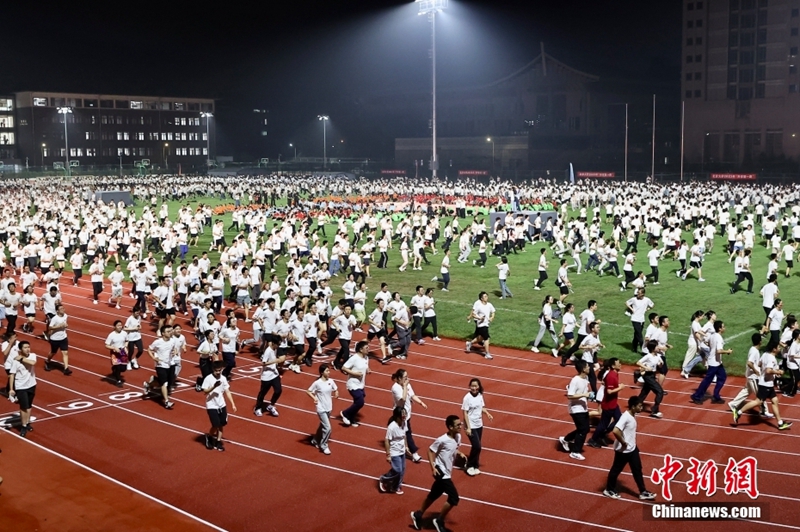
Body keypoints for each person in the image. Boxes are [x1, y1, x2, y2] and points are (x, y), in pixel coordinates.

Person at [410, 415, 468, 532]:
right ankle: (439, 520)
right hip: (441, 472)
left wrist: (459, 453)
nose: (460, 426)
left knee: (434, 495)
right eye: (458, 425)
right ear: (450, 427)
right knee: (454, 498)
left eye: (460, 424)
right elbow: (430, 451)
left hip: (447, 471)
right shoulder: (442, 440)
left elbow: (454, 448)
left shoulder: (458, 437)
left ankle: (418, 514)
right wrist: (433, 468)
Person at [603, 396, 657, 500]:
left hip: (632, 449)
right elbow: (616, 431)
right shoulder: (625, 417)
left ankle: (643, 491)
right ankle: (609, 489)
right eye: (639, 406)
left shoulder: (632, 415)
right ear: (633, 407)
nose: (641, 408)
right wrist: (623, 442)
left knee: (637, 470)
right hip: (623, 451)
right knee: (616, 470)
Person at [733, 343, 792, 430]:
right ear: (774, 349)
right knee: (758, 402)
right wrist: (778, 372)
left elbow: (759, 364)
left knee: (775, 401)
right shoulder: (772, 358)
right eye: (778, 347)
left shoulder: (765, 354)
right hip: (766, 384)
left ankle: (780, 423)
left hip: (767, 384)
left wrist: (771, 371)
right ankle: (738, 412)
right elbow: (768, 370)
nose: (780, 348)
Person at [728, 333, 773, 418]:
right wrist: (756, 371)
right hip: (753, 377)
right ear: (760, 341)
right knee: (760, 394)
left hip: (750, 376)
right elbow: (749, 363)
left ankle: (733, 404)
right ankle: (764, 411)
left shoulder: (753, 349)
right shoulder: (754, 351)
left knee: (746, 391)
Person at [391, 368, 428, 463]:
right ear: (399, 378)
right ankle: (414, 453)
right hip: (400, 415)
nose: (407, 379)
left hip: (407, 414)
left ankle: (401, 447)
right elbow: (403, 399)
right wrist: (404, 386)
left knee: (403, 432)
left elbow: (412, 395)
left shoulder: (407, 384)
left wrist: (421, 403)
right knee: (407, 433)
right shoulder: (395, 388)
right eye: (405, 377)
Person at [690, 320, 731, 405]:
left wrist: (712, 347)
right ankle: (696, 396)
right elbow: (719, 351)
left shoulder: (713, 335)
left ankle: (716, 396)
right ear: (719, 328)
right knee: (707, 381)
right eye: (723, 327)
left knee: (722, 377)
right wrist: (727, 351)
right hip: (714, 363)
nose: (724, 328)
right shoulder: (718, 338)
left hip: (717, 362)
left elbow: (706, 341)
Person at [588, 358, 625, 448]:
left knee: (620, 420)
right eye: (618, 363)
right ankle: (593, 439)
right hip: (608, 405)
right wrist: (620, 388)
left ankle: (603, 433)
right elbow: (609, 391)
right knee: (603, 424)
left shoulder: (614, 373)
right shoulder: (611, 376)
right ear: (613, 366)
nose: (620, 364)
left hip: (613, 404)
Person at [559, 360, 591, 461]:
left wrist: (589, 396)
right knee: (583, 430)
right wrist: (584, 395)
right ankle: (575, 452)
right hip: (575, 408)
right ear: (583, 369)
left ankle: (566, 439)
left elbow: (584, 392)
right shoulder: (575, 380)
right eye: (587, 366)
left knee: (585, 429)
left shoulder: (585, 378)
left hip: (583, 407)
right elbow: (570, 395)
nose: (589, 368)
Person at [202, 361, 237, 451]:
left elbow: (227, 391)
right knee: (215, 425)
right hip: (211, 405)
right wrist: (214, 387)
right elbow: (205, 391)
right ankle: (209, 436)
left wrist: (233, 404)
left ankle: (218, 442)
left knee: (221, 424)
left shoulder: (223, 378)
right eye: (216, 370)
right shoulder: (208, 378)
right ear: (213, 370)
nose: (218, 372)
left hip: (221, 404)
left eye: (219, 370)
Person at [461, 377, 493, 476]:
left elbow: (481, 407)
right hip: (471, 425)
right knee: (477, 446)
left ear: (479, 387)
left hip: (479, 424)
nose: (474, 388)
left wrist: (487, 413)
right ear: (469, 386)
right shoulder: (467, 398)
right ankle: (469, 465)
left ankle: (475, 465)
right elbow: (465, 413)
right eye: (472, 386)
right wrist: (468, 427)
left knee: (477, 446)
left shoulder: (480, 395)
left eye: (475, 386)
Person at [307, 363, 338, 455]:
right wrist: (314, 398)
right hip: (321, 408)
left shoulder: (331, 381)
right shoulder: (317, 383)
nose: (329, 372)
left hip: (329, 407)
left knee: (323, 426)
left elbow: (335, 389)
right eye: (327, 371)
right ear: (321, 372)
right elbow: (308, 391)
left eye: (329, 370)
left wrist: (336, 393)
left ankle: (315, 440)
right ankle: (324, 445)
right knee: (328, 428)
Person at [7, 340, 37, 437]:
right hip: (21, 386)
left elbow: (32, 363)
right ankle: (23, 426)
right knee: (24, 407)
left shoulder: (32, 355)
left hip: (32, 385)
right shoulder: (15, 361)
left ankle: (27, 423)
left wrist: (21, 359)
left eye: (28, 347)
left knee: (29, 406)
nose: (28, 349)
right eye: (25, 347)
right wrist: (11, 389)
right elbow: (12, 375)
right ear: (20, 349)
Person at [143, 325, 176, 409]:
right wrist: (154, 358)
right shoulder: (157, 342)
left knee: (169, 382)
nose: (170, 333)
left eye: (171, 331)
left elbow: (174, 348)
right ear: (163, 333)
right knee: (164, 383)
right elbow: (149, 349)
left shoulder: (172, 340)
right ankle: (167, 401)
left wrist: (174, 351)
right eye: (168, 331)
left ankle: (149, 384)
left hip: (170, 364)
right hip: (160, 364)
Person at [379, 407, 409, 495]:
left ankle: (395, 487)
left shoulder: (404, 423)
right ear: (397, 416)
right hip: (394, 452)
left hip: (402, 451)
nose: (405, 415)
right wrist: (388, 455)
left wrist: (406, 447)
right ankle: (384, 479)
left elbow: (404, 435)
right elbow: (387, 440)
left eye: (405, 413)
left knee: (402, 470)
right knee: (398, 470)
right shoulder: (392, 427)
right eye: (403, 414)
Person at [341, 340, 370, 427]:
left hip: (361, 384)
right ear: (361, 349)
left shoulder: (366, 357)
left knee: (358, 402)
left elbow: (366, 366)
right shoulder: (354, 358)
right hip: (353, 384)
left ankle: (351, 418)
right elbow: (344, 368)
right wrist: (354, 373)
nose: (368, 349)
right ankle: (345, 413)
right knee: (360, 402)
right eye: (366, 348)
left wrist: (368, 369)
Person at [254, 335, 285, 417]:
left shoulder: (276, 349)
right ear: (274, 343)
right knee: (263, 393)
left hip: (274, 374)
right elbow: (263, 363)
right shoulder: (268, 351)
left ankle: (271, 405)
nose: (279, 346)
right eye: (278, 344)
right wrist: (275, 361)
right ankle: (258, 408)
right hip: (266, 376)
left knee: (278, 390)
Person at [636, 340, 665, 418]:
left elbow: (659, 365)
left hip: (652, 375)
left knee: (644, 392)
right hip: (648, 376)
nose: (658, 347)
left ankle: (635, 407)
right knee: (660, 391)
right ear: (652, 348)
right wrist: (646, 367)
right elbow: (638, 362)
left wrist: (660, 364)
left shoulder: (657, 356)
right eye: (657, 346)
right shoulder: (648, 356)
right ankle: (654, 410)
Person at [466, 291, 496, 360]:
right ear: (481, 298)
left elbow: (493, 312)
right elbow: (474, 314)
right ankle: (487, 354)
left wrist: (492, 317)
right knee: (486, 338)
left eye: (487, 296)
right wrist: (479, 318)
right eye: (485, 296)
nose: (487, 297)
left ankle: (469, 343)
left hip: (486, 324)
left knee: (481, 337)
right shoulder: (479, 306)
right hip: (481, 324)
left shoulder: (489, 305)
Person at [44, 304, 71, 375]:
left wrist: (66, 325)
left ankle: (66, 369)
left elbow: (64, 323)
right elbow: (50, 327)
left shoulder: (65, 316)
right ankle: (48, 360)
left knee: (65, 353)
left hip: (63, 337)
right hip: (55, 339)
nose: (63, 310)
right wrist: (58, 326)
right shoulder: (55, 318)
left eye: (63, 308)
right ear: (57, 311)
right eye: (61, 309)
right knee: (53, 352)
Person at [625, 288, 654, 354]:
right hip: (635, 319)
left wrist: (646, 309)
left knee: (636, 334)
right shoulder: (634, 299)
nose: (637, 293)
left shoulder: (647, 300)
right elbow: (627, 303)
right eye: (637, 292)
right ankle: (644, 349)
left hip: (642, 320)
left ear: (643, 294)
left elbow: (652, 305)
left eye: (639, 293)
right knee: (640, 336)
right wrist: (632, 309)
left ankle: (634, 347)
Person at [105, 320, 128, 388]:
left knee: (123, 368)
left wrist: (125, 347)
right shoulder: (111, 335)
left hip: (122, 351)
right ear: (114, 327)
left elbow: (127, 341)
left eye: (121, 325)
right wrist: (114, 348)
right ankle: (118, 380)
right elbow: (106, 345)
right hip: (115, 353)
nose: (120, 327)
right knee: (118, 367)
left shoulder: (124, 333)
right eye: (118, 325)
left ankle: (114, 368)